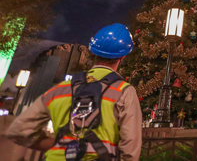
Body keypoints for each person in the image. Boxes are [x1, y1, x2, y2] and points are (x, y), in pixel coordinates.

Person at [7, 23, 142, 161]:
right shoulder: (124, 92)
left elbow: (18, 131)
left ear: (93, 52)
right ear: (123, 57)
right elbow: (130, 148)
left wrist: (58, 145)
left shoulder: (60, 89)